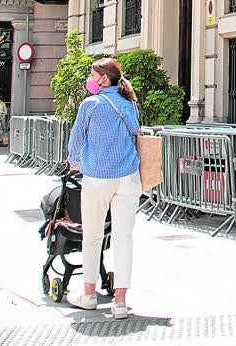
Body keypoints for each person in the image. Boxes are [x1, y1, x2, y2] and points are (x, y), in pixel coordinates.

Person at [66, 57, 141, 319]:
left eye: (92, 74)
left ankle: (88, 294)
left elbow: (76, 139)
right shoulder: (129, 103)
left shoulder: (91, 104)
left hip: (98, 176)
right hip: (129, 176)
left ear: (102, 78)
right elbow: (135, 130)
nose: (90, 78)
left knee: (93, 235)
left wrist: (74, 162)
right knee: (124, 238)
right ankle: (120, 301)